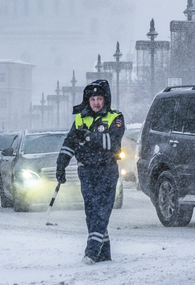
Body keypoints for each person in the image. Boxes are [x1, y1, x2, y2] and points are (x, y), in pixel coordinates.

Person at [55, 79, 125, 264]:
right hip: (86, 171)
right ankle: (104, 253)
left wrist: (88, 136)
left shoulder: (115, 117)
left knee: (101, 211)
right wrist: (61, 163)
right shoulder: (80, 119)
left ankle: (92, 252)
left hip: (106, 170)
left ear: (105, 100)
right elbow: (70, 143)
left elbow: (113, 144)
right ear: (88, 100)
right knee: (91, 212)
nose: (96, 102)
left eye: (99, 98)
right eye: (93, 98)